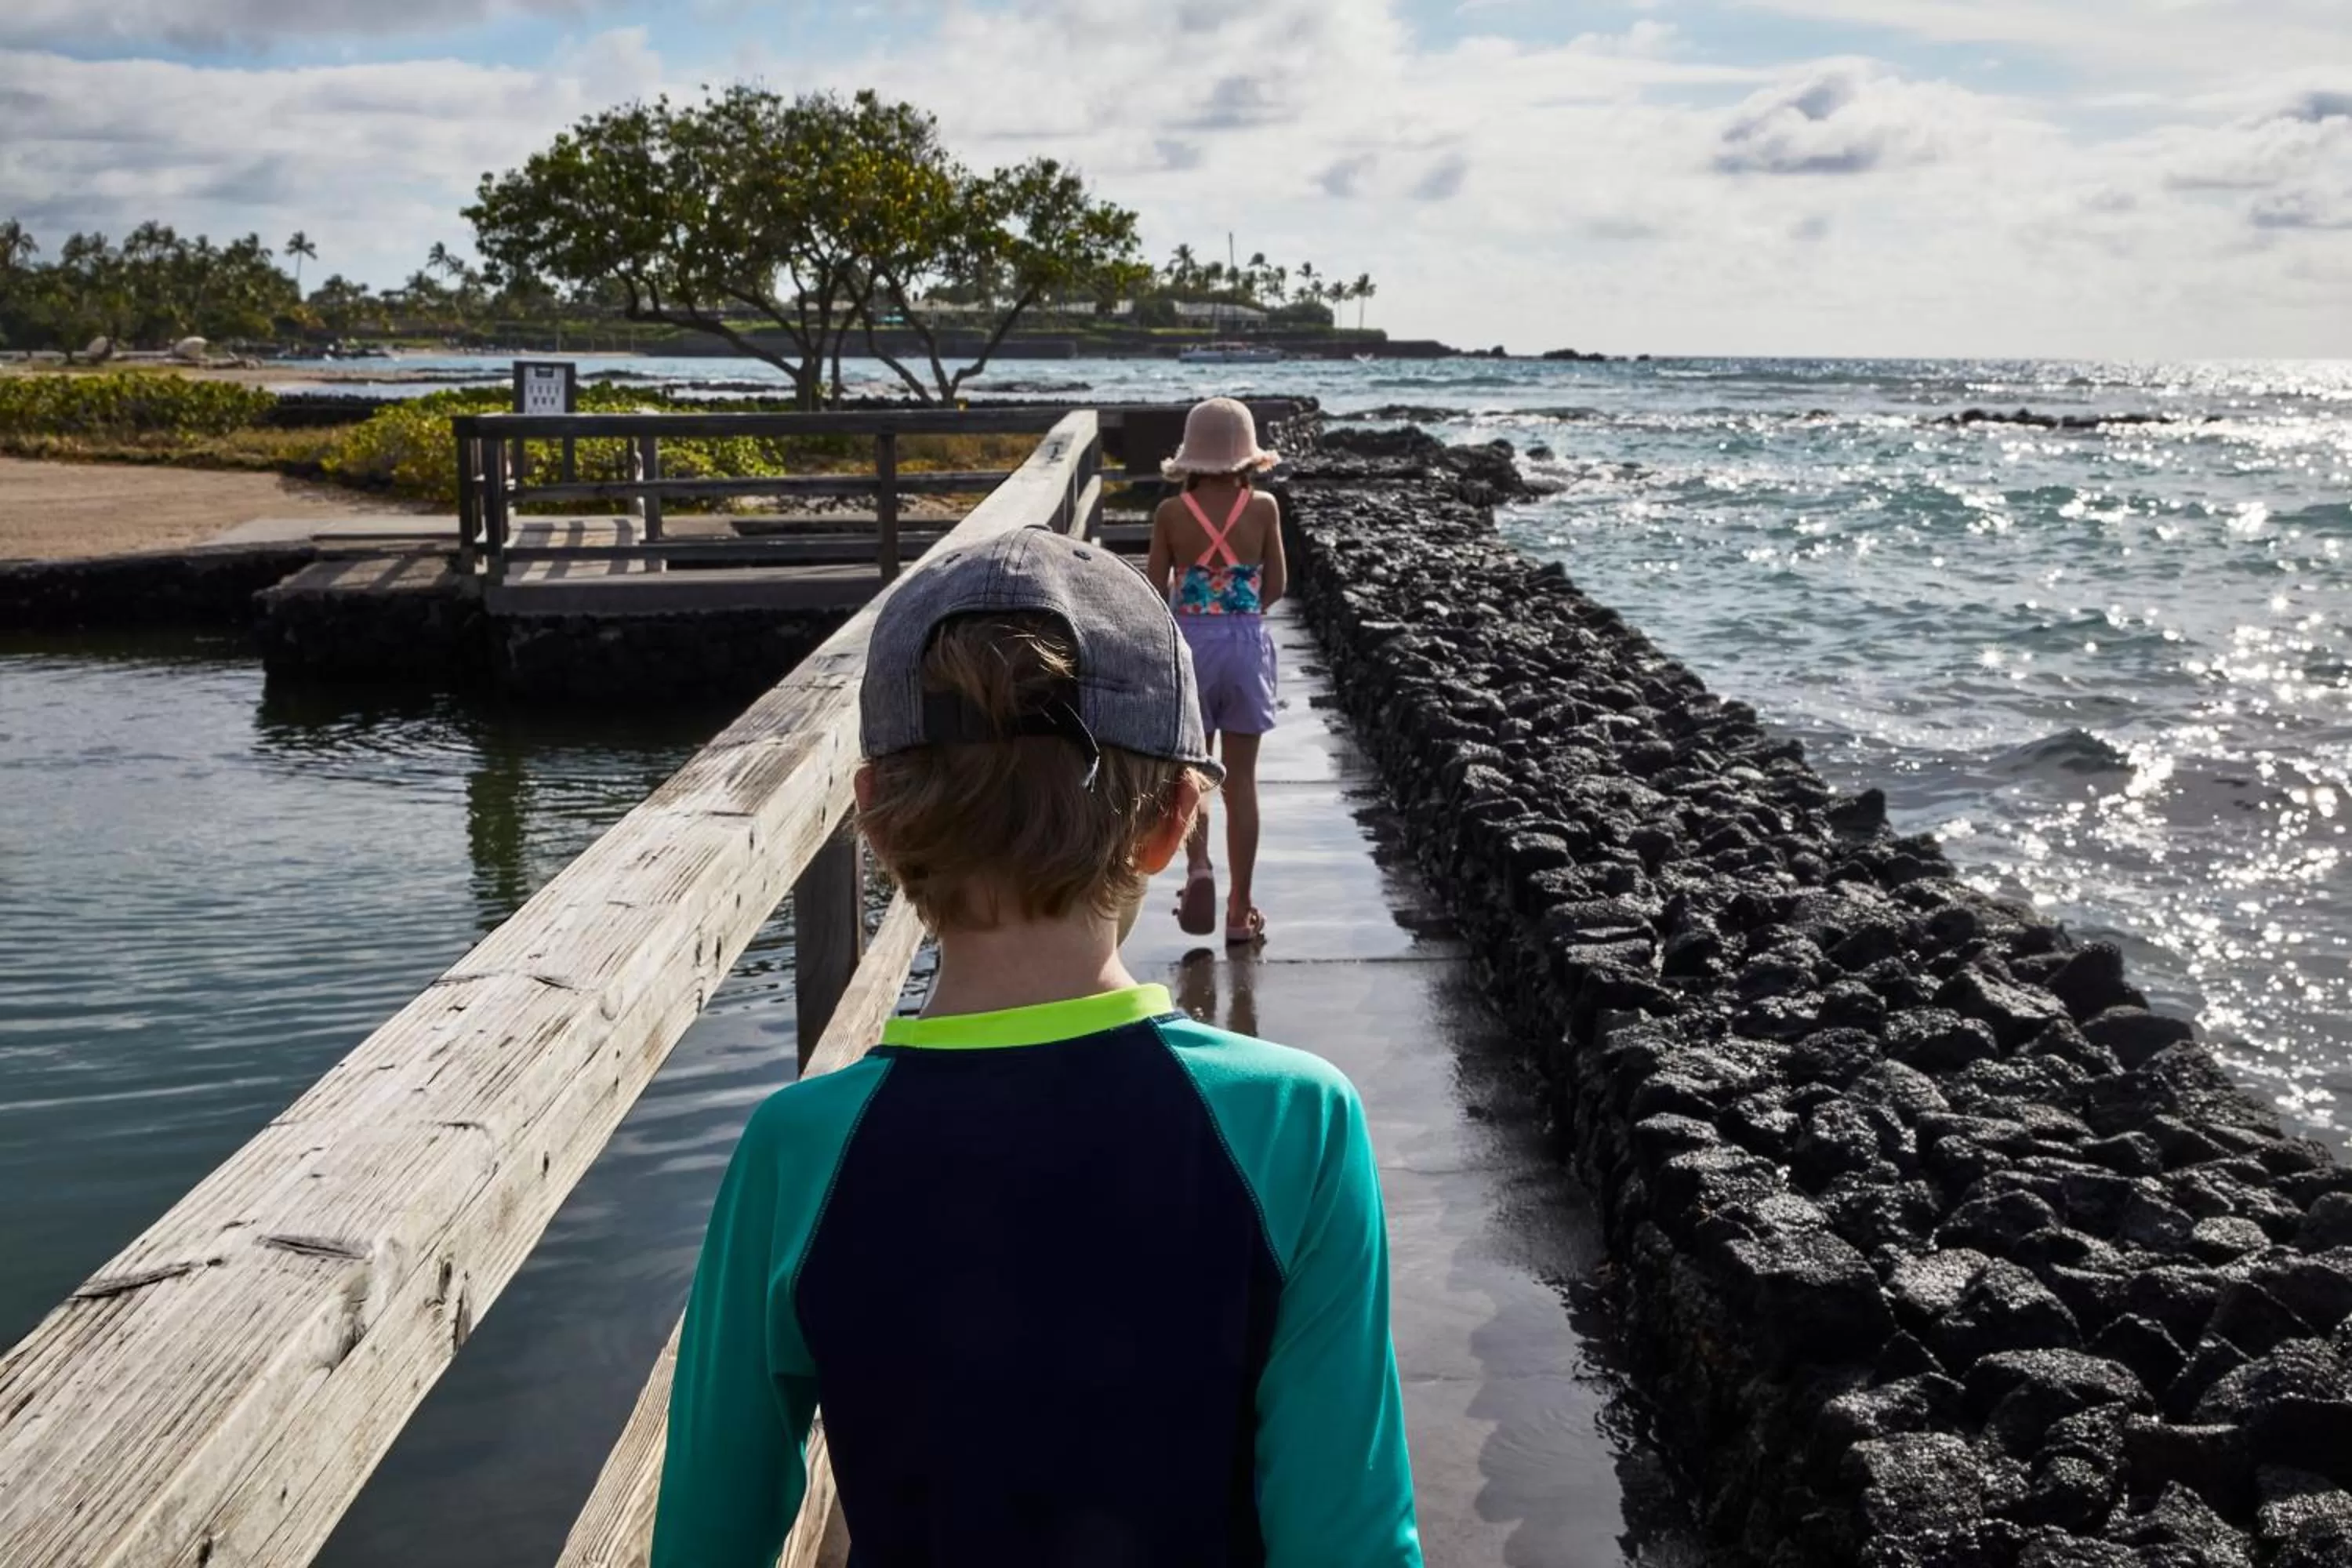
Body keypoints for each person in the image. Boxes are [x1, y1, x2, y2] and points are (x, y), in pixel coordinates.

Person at [649, 528, 1421, 1568]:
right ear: (1172, 825)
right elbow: (1351, 1541)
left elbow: (708, 1534)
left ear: (875, 820)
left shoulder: (796, 1151)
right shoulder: (1295, 1122)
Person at [1146, 396, 1288, 947]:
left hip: (1191, 645)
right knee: (1242, 783)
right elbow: (1277, 584)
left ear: (1190, 456)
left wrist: (1192, 604)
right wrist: (1243, 608)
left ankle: (1198, 867)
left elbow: (1155, 589)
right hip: (1246, 643)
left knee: (1195, 775)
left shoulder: (1171, 515)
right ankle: (1240, 909)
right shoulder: (1264, 508)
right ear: (1248, 457)